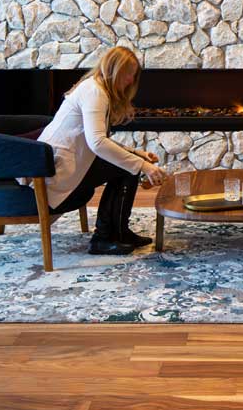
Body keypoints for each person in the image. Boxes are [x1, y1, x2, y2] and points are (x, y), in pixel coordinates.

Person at [38, 46, 165, 255]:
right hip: (57, 170)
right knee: (127, 168)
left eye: (133, 75)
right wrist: (143, 166)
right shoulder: (94, 92)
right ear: (114, 70)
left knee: (128, 165)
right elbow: (97, 143)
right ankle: (103, 238)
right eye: (128, 74)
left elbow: (98, 139)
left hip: (70, 162)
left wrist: (137, 154)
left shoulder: (95, 87)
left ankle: (119, 232)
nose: (131, 80)